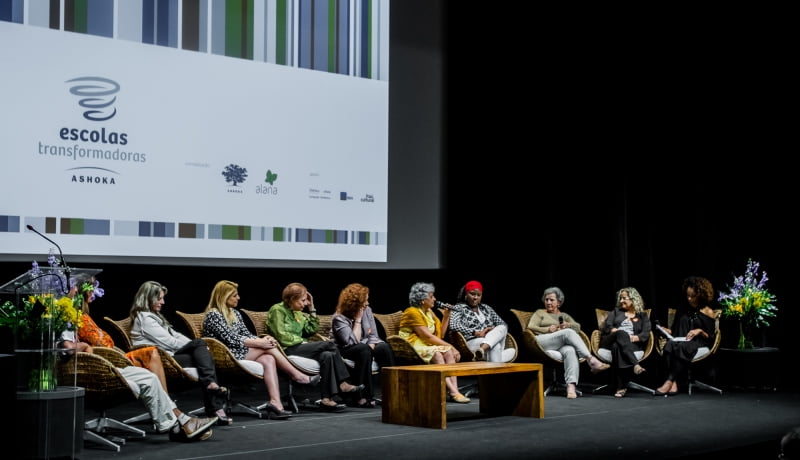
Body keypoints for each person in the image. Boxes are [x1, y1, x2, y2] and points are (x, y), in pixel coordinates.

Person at [59, 328, 217, 441]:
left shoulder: (73, 312)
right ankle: (178, 427)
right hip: (89, 370)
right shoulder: (63, 313)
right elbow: (68, 348)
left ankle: (178, 422)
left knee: (149, 377)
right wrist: (85, 346)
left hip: (104, 363)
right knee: (154, 359)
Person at [202, 280, 322, 420]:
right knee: (269, 348)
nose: (238, 298)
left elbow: (246, 334)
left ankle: (276, 404)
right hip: (224, 354)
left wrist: (263, 341)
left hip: (239, 351)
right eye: (234, 295)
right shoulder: (214, 314)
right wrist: (261, 343)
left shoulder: (234, 313)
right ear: (223, 296)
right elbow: (230, 339)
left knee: (268, 358)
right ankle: (297, 376)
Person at [129, 280, 233, 425]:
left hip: (169, 356)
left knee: (202, 352)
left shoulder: (155, 315)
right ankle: (214, 405)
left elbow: (176, 335)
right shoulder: (144, 318)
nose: (163, 302)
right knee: (203, 352)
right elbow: (170, 342)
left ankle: (212, 396)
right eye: (159, 298)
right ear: (147, 298)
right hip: (158, 361)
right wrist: (196, 346)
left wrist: (196, 346)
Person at [267, 282, 363, 411]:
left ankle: (326, 399)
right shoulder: (277, 310)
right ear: (291, 299)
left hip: (301, 347)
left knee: (327, 355)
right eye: (303, 300)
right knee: (329, 344)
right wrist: (303, 341)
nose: (305, 303)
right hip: (285, 350)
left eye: (306, 301)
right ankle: (343, 383)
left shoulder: (298, 312)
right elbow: (281, 337)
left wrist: (312, 308)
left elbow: (311, 329)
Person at [68, 272, 169, 391]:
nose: (94, 292)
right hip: (107, 361)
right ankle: (169, 405)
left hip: (112, 357)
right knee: (151, 353)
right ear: (82, 292)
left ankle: (167, 402)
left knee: (151, 353)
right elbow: (99, 342)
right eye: (91, 289)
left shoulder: (84, 315)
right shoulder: (79, 317)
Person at [527, 286, 610, 399]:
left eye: (552, 300)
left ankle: (571, 387)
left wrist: (568, 325)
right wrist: (547, 329)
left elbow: (578, 326)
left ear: (559, 302)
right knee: (567, 333)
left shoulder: (564, 315)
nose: (548, 302)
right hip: (542, 341)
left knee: (570, 350)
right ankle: (591, 359)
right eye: (546, 300)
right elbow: (530, 326)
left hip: (559, 343)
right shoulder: (540, 313)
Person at [399, 282, 469, 403]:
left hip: (425, 343)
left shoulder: (429, 312)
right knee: (437, 354)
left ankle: (455, 390)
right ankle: (452, 392)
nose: (435, 299)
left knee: (447, 353)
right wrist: (451, 346)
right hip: (412, 344)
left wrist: (446, 316)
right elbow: (427, 336)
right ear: (422, 300)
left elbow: (439, 335)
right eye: (431, 296)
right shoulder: (412, 312)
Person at [330, 282, 396, 408]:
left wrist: (371, 347)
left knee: (384, 348)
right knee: (363, 350)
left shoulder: (367, 310)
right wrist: (358, 320)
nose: (367, 303)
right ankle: (361, 396)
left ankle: (392, 392)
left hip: (365, 346)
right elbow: (351, 342)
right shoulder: (339, 318)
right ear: (354, 303)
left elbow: (373, 336)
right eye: (365, 301)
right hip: (343, 350)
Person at [655, 276, 717, 396]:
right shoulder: (682, 309)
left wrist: (699, 331)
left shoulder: (707, 311)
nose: (689, 299)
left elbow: (711, 337)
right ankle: (674, 383)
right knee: (669, 345)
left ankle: (669, 381)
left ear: (701, 295)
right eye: (687, 295)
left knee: (682, 347)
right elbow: (674, 330)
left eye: (692, 296)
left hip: (699, 342)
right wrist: (665, 330)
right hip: (681, 339)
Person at [598, 287, 651, 398]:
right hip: (610, 339)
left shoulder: (642, 315)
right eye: (620, 298)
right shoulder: (616, 311)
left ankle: (621, 386)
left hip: (630, 344)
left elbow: (646, 333)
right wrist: (613, 330)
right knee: (621, 333)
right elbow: (607, 326)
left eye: (624, 298)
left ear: (633, 299)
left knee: (617, 346)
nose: (621, 301)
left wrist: (633, 338)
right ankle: (635, 364)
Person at [447, 280, 513, 362]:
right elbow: (453, 325)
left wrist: (491, 330)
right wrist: (475, 332)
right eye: (472, 294)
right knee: (496, 347)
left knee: (503, 327)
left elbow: (502, 324)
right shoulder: (458, 308)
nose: (475, 297)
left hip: (490, 339)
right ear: (466, 294)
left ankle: (482, 349)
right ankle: (493, 368)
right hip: (472, 341)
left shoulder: (486, 308)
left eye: (479, 295)